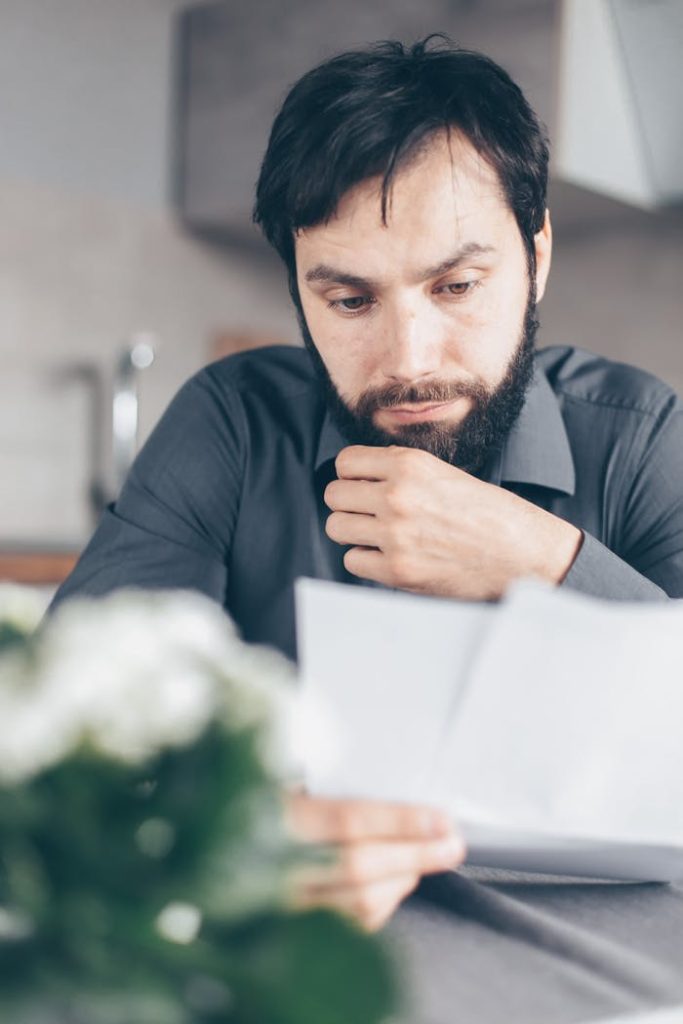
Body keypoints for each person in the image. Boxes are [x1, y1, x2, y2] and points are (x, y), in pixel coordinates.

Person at [52, 38, 683, 946]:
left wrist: (548, 563)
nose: (408, 361)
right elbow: (70, 723)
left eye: (457, 285)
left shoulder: (640, 436)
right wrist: (237, 834)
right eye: (350, 301)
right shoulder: (229, 423)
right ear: (299, 292)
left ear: (535, 255)